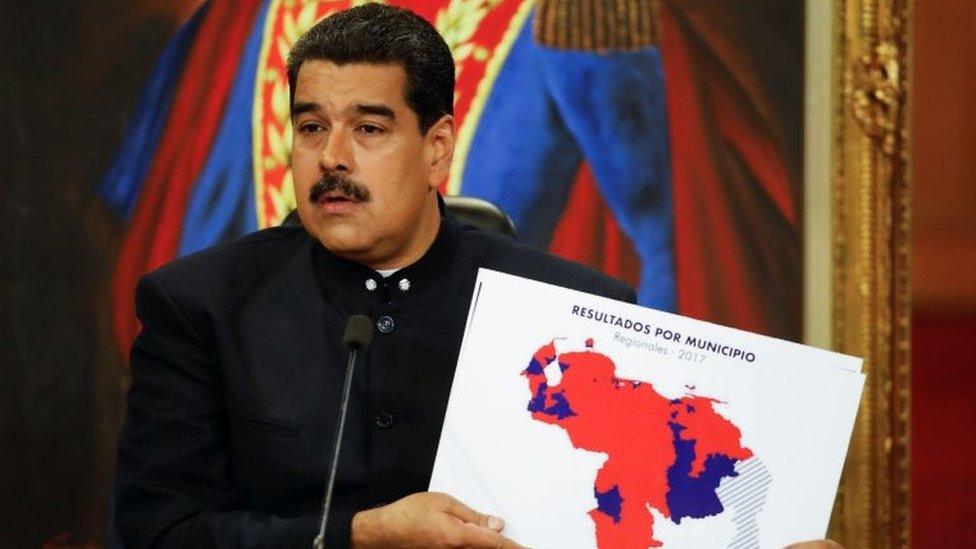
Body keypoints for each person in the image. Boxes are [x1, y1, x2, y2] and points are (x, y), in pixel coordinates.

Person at [114, 5, 841, 549]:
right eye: (310, 127)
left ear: (437, 151)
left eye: (368, 129)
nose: (331, 156)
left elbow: (645, 514)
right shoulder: (199, 305)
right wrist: (362, 533)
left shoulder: (582, 314)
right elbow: (161, 533)